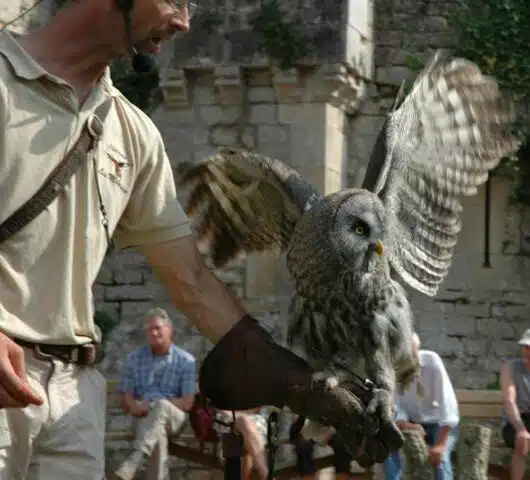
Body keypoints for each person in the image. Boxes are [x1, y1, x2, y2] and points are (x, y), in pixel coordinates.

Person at [0, 0, 384, 478]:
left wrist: (304, 386)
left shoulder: (132, 132)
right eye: (176, 0)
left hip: (74, 397)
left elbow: (193, 281)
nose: (184, 21)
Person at [112, 307, 197, 480]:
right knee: (158, 436)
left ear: (169, 330)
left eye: (158, 328)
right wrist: (136, 408)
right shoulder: (134, 359)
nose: (154, 333)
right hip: (143, 419)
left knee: (160, 406)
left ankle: (135, 460)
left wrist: (156, 405)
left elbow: (187, 403)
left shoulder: (186, 361)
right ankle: (138, 462)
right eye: (150, 329)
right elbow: (127, 396)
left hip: (175, 420)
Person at [384, 333, 459, 480]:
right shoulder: (393, 369)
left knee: (441, 458)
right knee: (388, 450)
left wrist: (441, 445)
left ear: (417, 348)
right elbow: (396, 407)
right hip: (411, 424)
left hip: (440, 424)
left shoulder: (432, 361)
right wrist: (408, 426)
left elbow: (448, 408)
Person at [500, 328, 530, 480]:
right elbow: (509, 400)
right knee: (522, 441)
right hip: (515, 422)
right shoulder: (510, 367)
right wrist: (521, 429)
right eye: (525, 347)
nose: (527, 351)